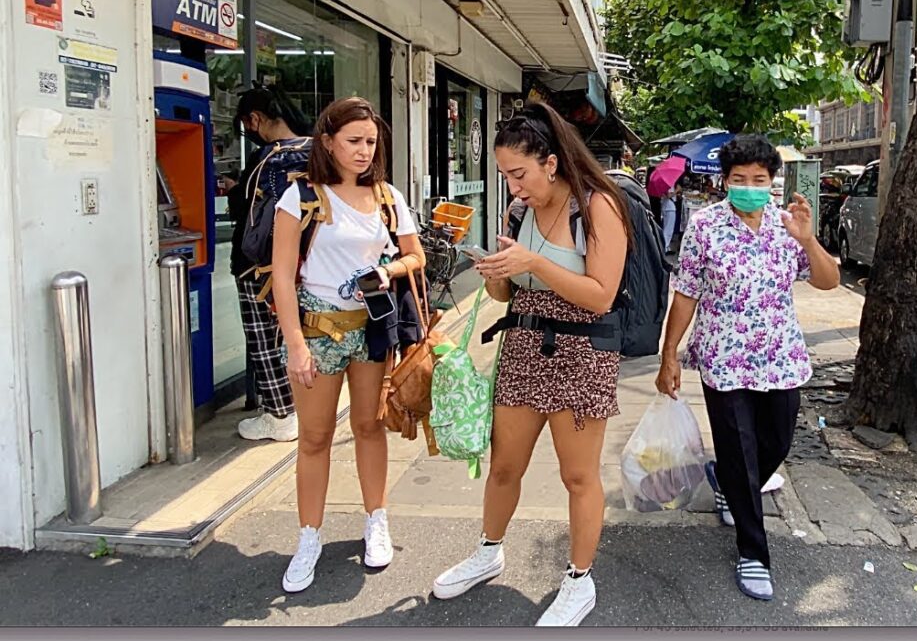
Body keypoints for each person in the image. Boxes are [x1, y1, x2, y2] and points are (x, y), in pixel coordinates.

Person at [430, 102, 632, 627]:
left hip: (584, 352)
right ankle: (487, 550)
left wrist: (533, 262)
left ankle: (579, 581)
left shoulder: (597, 206)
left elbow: (601, 295)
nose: (513, 187)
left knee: (578, 475)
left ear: (550, 161)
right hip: (523, 346)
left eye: (519, 174)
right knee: (504, 465)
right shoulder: (518, 212)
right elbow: (504, 293)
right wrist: (496, 271)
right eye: (504, 176)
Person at [655, 134, 840, 602]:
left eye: (759, 179)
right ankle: (754, 552)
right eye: (740, 179)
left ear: (772, 182)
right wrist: (669, 353)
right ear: (725, 182)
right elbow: (687, 292)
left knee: (775, 442)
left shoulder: (787, 226)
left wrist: (809, 239)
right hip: (724, 358)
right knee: (739, 448)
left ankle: (727, 482)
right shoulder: (705, 227)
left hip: (781, 357)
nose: (750, 186)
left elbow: (827, 280)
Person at [271, 97, 425, 593]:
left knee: (368, 426)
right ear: (328, 142)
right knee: (314, 438)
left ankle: (376, 518)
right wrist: (295, 344)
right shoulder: (300, 198)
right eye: (353, 141)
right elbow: (281, 276)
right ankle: (308, 536)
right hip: (317, 331)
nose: (363, 151)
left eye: (371, 142)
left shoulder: (386, 197)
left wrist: (387, 269)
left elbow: (415, 256)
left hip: (372, 328)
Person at [228, 86, 310, 441]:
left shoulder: (265, 158)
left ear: (256, 119)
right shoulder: (314, 152)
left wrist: (234, 188)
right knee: (294, 336)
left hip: (256, 267)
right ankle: (302, 406)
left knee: (263, 339)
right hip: (304, 266)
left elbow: (244, 212)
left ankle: (279, 417)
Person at [660, 182, 679, 254]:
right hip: (669, 207)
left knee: (666, 228)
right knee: (668, 229)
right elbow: (668, 195)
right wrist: (677, 190)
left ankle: (666, 247)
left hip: (666, 207)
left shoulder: (663, 183)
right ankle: (665, 247)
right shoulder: (668, 184)